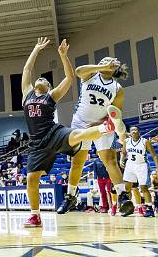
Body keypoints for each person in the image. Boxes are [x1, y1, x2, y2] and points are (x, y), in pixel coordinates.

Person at [22, 37, 125, 227]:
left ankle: (105, 127)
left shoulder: (51, 96)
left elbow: (70, 78)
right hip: (36, 144)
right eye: (40, 78)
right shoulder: (26, 93)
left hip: (53, 133)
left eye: (45, 79)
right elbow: (27, 70)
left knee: (77, 134)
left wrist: (63, 56)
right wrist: (36, 49)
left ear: (49, 88)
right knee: (31, 179)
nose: (41, 79)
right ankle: (35, 216)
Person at [57, 57, 132, 216]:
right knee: (77, 162)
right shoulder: (90, 75)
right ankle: (70, 196)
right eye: (104, 60)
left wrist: (102, 125)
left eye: (110, 61)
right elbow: (78, 71)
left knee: (110, 160)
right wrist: (101, 65)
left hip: (102, 124)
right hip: (80, 123)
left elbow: (115, 112)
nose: (106, 61)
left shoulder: (117, 88)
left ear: (114, 68)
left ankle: (122, 196)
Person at [120, 126, 158, 217]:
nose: (134, 131)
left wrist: (157, 167)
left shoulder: (145, 142)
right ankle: (128, 207)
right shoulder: (126, 141)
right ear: (130, 132)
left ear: (139, 132)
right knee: (127, 188)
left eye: (135, 130)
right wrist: (121, 159)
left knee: (144, 188)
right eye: (132, 130)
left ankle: (149, 209)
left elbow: (154, 155)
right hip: (130, 165)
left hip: (142, 165)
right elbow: (124, 152)